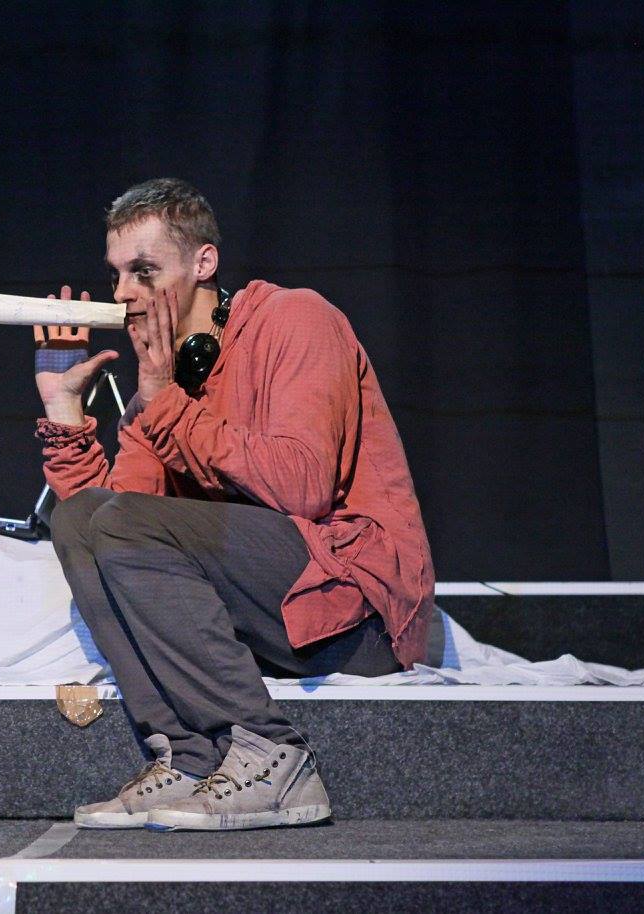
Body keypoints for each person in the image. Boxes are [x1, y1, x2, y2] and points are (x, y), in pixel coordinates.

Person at [34, 178, 435, 830]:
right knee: (80, 520)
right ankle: (189, 755)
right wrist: (62, 407)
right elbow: (108, 534)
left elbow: (302, 487)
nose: (123, 293)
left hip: (350, 614)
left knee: (120, 524)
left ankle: (271, 754)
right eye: (116, 275)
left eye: (143, 271)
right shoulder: (163, 381)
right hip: (262, 618)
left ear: (203, 263)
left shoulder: (295, 319)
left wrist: (165, 403)